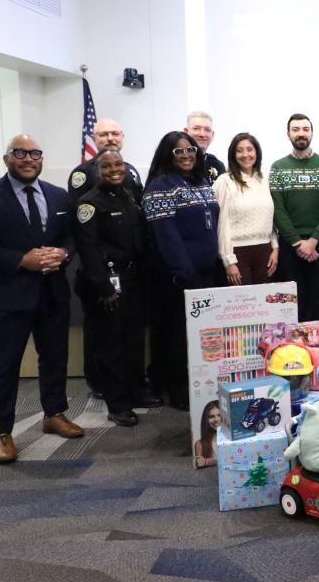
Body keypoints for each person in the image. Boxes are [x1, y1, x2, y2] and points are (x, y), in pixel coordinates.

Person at [0, 134, 84, 463]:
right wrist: (20, 260)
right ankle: (0, 432)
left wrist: (63, 253)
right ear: (7, 159)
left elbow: (71, 236)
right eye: (20, 153)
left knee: (55, 357)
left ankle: (54, 414)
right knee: (3, 365)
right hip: (9, 293)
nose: (28, 159)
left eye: (35, 153)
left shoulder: (57, 196)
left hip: (52, 291)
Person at [74, 148, 162, 427]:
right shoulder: (89, 203)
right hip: (108, 284)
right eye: (107, 166)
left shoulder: (129, 195)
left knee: (133, 341)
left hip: (134, 279)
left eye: (119, 165)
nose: (114, 170)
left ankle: (136, 391)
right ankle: (118, 403)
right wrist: (104, 288)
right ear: (97, 171)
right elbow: (87, 250)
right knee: (111, 345)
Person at [67, 117, 144, 399]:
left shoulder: (129, 178)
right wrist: (102, 283)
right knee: (107, 338)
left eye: (115, 133)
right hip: (105, 275)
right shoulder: (84, 181)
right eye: (103, 134)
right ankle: (107, 391)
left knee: (132, 335)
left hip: (131, 274)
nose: (110, 138)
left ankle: (135, 388)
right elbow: (86, 239)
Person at [143, 131, 220, 409]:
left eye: (190, 150)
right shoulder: (160, 187)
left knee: (201, 336)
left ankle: (198, 386)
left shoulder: (200, 181)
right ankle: (178, 391)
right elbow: (167, 237)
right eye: (179, 152)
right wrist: (185, 273)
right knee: (177, 336)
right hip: (179, 278)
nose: (187, 155)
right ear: (168, 155)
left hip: (207, 273)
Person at [270, 113, 319, 325]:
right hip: (291, 247)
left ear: (312, 133)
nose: (301, 133)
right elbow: (277, 210)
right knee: (291, 307)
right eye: (296, 129)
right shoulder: (278, 168)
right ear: (288, 134)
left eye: (305, 129)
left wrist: (313, 241)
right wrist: (298, 243)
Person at [213, 132, 278, 286]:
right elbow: (221, 224)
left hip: (265, 252)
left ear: (257, 152)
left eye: (250, 149)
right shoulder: (225, 182)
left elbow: (271, 219)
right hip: (238, 254)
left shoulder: (264, 180)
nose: (245, 154)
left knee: (265, 306)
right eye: (239, 150)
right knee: (244, 306)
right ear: (233, 155)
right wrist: (228, 260)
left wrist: (275, 248)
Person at [184, 110, 224, 182]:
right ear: (186, 132)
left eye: (207, 130)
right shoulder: (175, 163)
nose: (202, 134)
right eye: (196, 129)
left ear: (212, 135)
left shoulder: (217, 165)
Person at [194, 400, 222, 468]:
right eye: (211, 416)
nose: (216, 419)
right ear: (206, 419)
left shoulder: (235, 440)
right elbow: (200, 463)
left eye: (219, 415)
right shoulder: (200, 444)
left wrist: (208, 462)